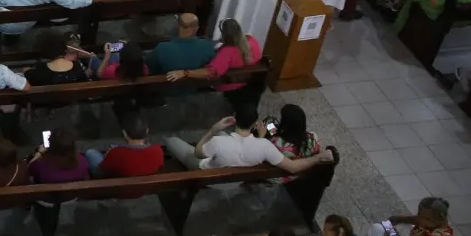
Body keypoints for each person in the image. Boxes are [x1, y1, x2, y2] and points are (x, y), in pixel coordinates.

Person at [164, 101, 336, 173]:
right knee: (225, 138)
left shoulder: (217, 141)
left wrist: (213, 130)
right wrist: (261, 139)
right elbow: (292, 166)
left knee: (171, 141)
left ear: (234, 119)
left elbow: (199, 153)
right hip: (238, 176)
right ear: (255, 123)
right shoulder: (266, 146)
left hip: (209, 171)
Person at [84, 113, 164, 177]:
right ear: (147, 131)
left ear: (125, 133)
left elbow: (102, 169)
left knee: (90, 152)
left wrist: (109, 153)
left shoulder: (117, 153)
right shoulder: (158, 150)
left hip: (117, 180)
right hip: (140, 182)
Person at [147, 13, 217, 74]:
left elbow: (150, 67)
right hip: (198, 88)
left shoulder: (161, 49)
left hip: (167, 87)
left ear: (178, 26)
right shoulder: (207, 46)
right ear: (196, 28)